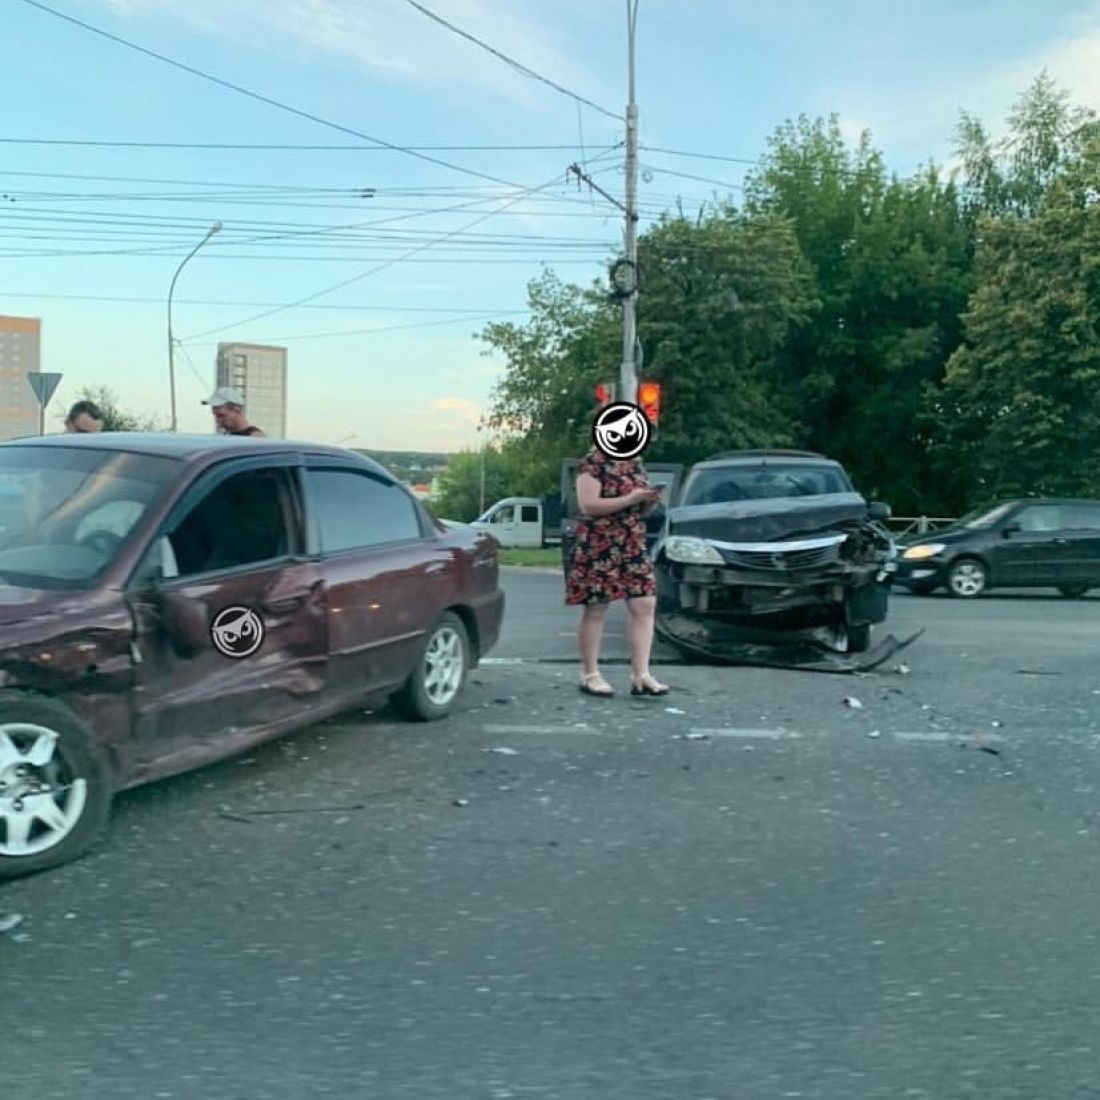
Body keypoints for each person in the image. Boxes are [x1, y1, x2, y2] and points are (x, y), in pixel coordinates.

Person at [564, 444, 670, 697]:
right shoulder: (592, 462)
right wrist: (630, 499)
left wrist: (649, 501)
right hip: (599, 542)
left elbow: (639, 509)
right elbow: (588, 505)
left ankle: (641, 674)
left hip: (632, 540)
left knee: (645, 603)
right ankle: (590, 674)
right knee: (597, 607)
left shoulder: (634, 461)